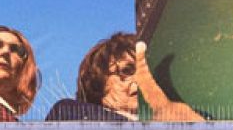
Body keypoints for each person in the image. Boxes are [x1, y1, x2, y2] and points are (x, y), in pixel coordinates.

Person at [47, 32, 205, 122]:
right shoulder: (70, 113)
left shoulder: (180, 116)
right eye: (127, 71)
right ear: (98, 85)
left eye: (142, 70)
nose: (139, 79)